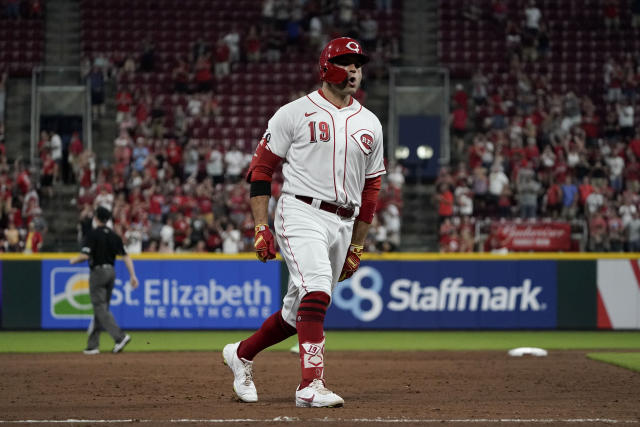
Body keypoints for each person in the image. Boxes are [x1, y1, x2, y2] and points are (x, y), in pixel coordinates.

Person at [222, 37, 385, 408]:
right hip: (300, 211)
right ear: (326, 67)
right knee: (318, 291)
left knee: (296, 314)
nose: (354, 70)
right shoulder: (293, 112)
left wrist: (357, 245)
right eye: (345, 62)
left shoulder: (370, 123)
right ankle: (311, 385)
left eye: (358, 64)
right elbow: (261, 170)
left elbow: (372, 189)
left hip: (343, 223)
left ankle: (241, 354)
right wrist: (261, 226)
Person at [70, 206, 139, 355]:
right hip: (111, 272)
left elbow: (85, 256)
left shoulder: (93, 234)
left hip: (98, 273)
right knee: (101, 309)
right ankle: (92, 345)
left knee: (100, 307)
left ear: (96, 218)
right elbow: (126, 256)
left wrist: (73, 260)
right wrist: (133, 275)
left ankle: (120, 337)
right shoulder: (114, 236)